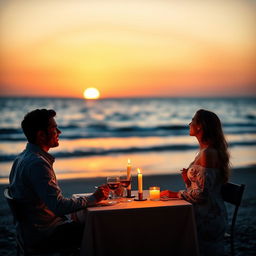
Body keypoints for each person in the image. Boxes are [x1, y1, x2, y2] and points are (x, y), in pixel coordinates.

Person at [8, 109, 109, 253]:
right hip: (45, 234)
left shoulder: (21, 158)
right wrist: (94, 198)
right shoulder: (37, 164)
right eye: (54, 128)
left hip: (31, 230)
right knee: (100, 228)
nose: (59, 132)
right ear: (41, 135)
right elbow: (59, 206)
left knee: (86, 217)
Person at [161, 109, 230, 256]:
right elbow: (202, 188)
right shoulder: (204, 151)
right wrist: (187, 181)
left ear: (200, 126)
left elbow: (203, 194)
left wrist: (176, 194)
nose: (189, 123)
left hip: (209, 217)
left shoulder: (208, 153)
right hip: (204, 211)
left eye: (192, 120)